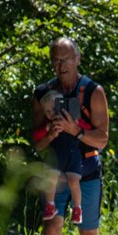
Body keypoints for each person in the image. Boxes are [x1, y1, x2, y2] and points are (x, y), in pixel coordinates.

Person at [32, 37, 110, 235]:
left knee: (88, 234)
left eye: (66, 59)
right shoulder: (43, 93)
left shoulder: (93, 92)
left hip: (85, 172)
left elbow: (102, 139)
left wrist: (75, 131)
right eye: (55, 59)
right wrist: (50, 133)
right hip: (55, 173)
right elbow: (37, 143)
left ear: (78, 59)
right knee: (51, 231)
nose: (60, 64)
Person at [34, 89, 88, 225]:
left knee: (73, 181)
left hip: (73, 154)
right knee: (50, 176)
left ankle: (77, 208)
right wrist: (48, 129)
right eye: (47, 112)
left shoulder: (72, 120)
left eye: (54, 109)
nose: (51, 113)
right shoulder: (49, 124)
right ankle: (50, 206)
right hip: (56, 154)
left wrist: (75, 124)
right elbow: (36, 136)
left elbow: (87, 127)